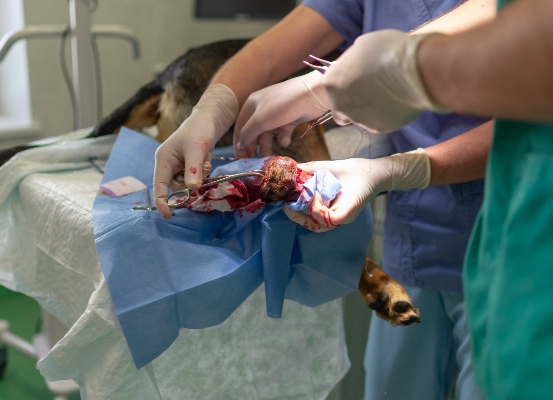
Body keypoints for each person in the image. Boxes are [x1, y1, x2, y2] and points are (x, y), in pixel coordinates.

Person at [153, 1, 495, 399]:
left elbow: (534, 126)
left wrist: (399, 166)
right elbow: (267, 52)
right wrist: (212, 108)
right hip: (416, 245)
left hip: (512, 245)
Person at [237, 0, 553, 399]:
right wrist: (214, 104)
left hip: (525, 251)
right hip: (430, 246)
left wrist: (404, 71)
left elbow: (536, 51)